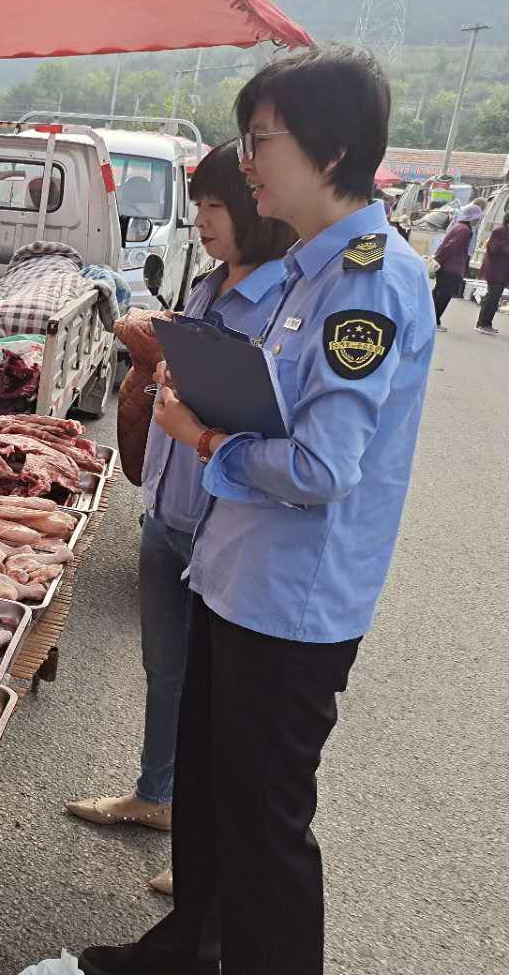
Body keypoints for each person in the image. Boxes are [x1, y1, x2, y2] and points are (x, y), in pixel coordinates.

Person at [80, 47, 434, 975]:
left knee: (266, 825)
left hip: (294, 604)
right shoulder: (310, 271)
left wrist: (201, 440)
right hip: (235, 578)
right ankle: (181, 951)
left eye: (261, 140)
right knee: (205, 790)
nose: (247, 163)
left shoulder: (368, 281)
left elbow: (322, 466)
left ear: (333, 150)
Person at [65, 143, 295, 898]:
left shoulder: (282, 303)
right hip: (167, 514)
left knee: (222, 701)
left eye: (218, 205)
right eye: (198, 204)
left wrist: (195, 419)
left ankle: (209, 856)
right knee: (166, 671)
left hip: (224, 526)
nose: (201, 220)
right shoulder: (205, 288)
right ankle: (156, 797)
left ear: (260, 209)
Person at [431, 201, 482, 329]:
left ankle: (430, 318)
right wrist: (440, 259)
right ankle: (434, 321)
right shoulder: (465, 230)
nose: (479, 221)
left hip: (446, 266)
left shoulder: (458, 226)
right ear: (472, 217)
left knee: (438, 292)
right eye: (477, 218)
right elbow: (451, 247)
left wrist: (438, 259)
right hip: (451, 267)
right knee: (444, 294)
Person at [476, 210, 509, 334]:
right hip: (495, 270)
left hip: (503, 272)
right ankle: (482, 324)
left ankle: (487, 323)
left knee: (494, 299)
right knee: (492, 298)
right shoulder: (499, 232)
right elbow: (494, 249)